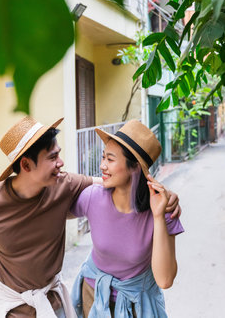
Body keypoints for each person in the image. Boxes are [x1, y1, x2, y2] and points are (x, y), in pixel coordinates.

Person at [0, 116, 181, 317]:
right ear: (26, 165)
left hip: (62, 303)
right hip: (13, 306)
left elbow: (114, 187)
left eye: (110, 158)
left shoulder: (64, 186)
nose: (61, 162)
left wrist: (164, 199)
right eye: (53, 157)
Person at [71, 119, 184, 317]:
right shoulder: (92, 197)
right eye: (103, 157)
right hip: (93, 297)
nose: (102, 165)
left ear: (134, 167)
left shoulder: (164, 211)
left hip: (137, 305)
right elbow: (51, 207)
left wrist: (158, 215)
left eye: (110, 159)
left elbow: (165, 280)